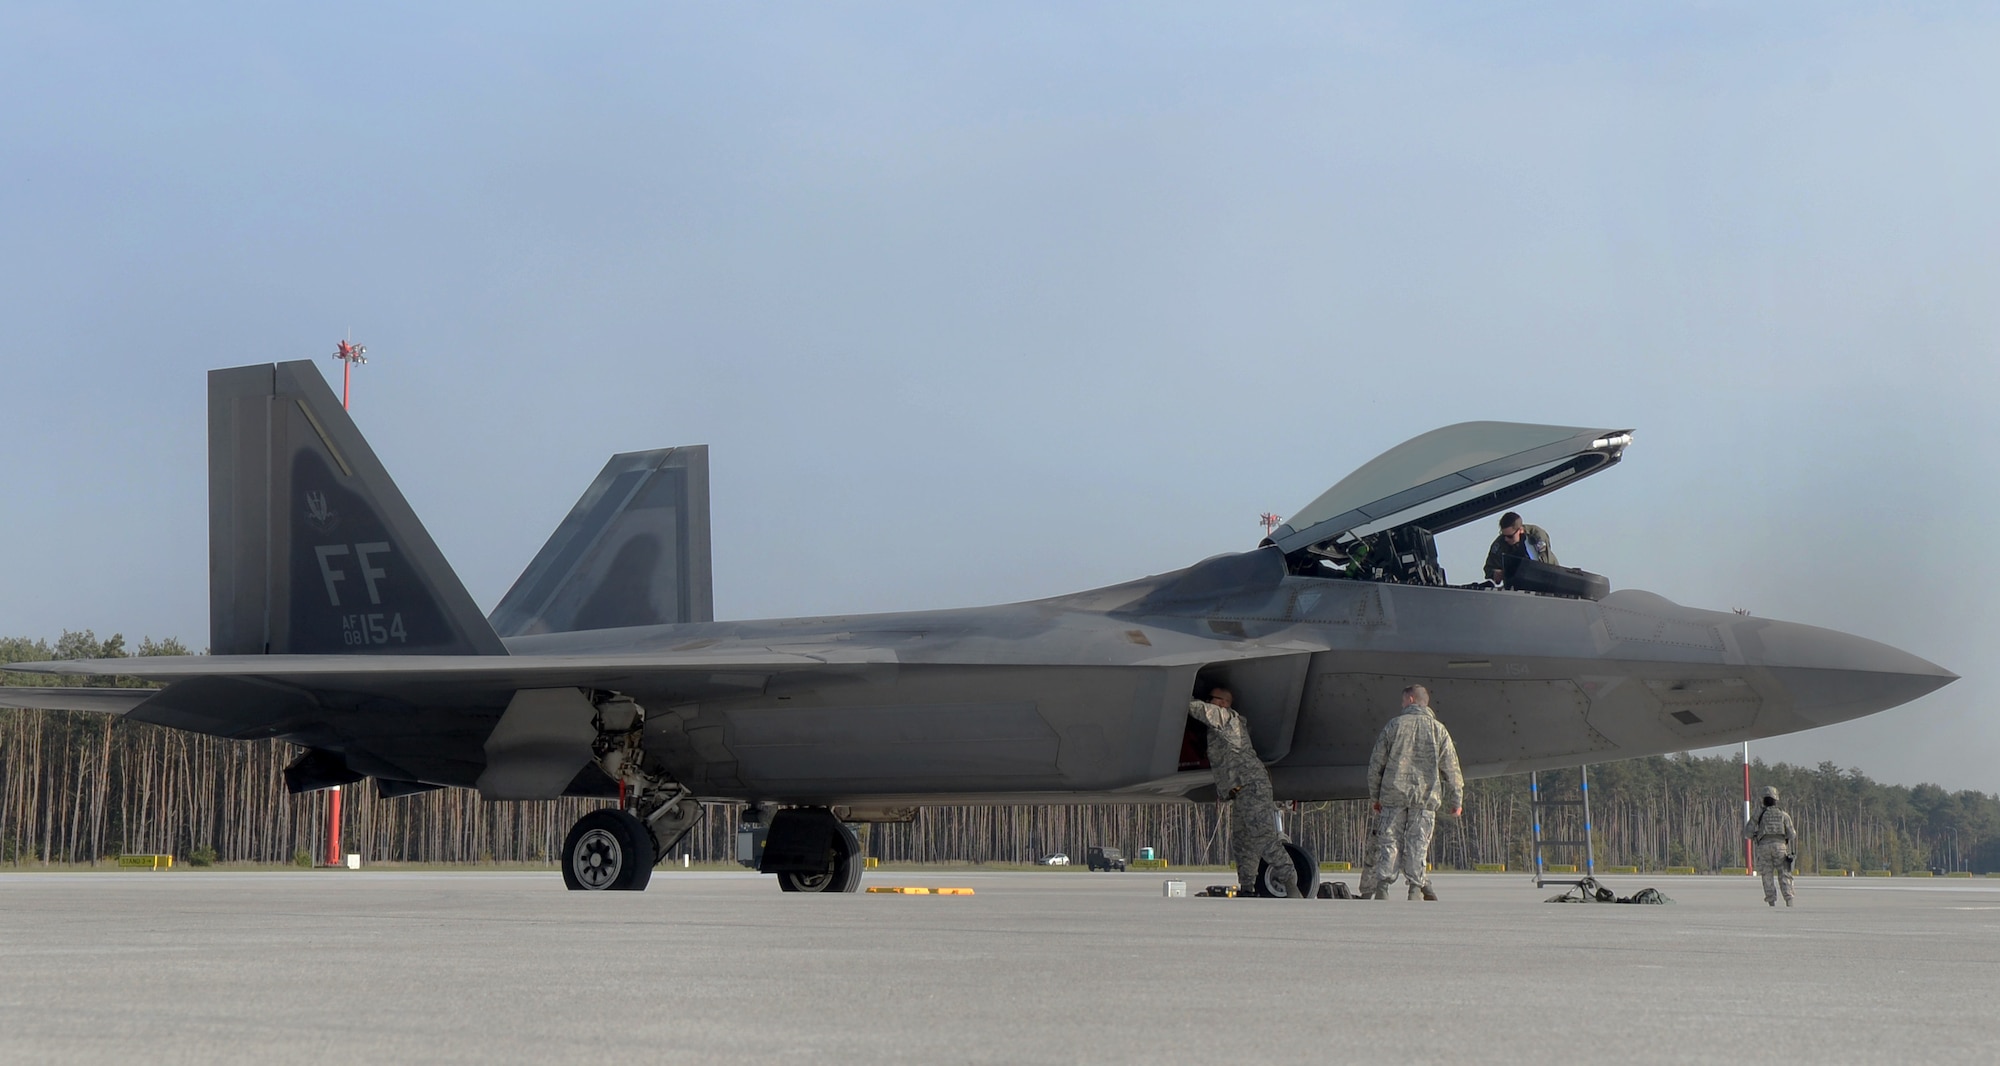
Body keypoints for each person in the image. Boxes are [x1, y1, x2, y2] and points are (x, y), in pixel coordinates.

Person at [1188, 686, 1299, 898]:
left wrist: (1181, 694)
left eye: (1211, 698)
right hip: (1240, 791)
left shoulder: (1226, 718)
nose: (1208, 701)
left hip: (1251, 787)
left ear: (1222, 703)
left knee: (1263, 838)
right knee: (1242, 842)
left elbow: (1196, 708)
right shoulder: (1223, 724)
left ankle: (1290, 881)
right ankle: (1247, 887)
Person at [1366, 685, 1463, 900]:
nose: (1401, 705)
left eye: (1403, 701)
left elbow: (1375, 765)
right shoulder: (1438, 730)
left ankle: (1383, 888)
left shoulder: (1394, 726)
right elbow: (1452, 769)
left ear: (1410, 699)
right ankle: (1415, 889)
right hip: (1425, 798)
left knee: (1390, 841)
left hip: (1393, 796)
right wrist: (1456, 800)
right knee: (1418, 843)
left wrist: (1375, 797)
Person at [1744, 785, 1798, 907]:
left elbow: (1747, 832)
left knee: (1767, 874)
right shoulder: (1783, 815)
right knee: (1784, 873)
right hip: (1780, 847)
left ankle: (1771, 901)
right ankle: (1789, 900)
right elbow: (1792, 834)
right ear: (1776, 799)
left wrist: (1756, 836)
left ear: (1763, 799)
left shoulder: (1759, 814)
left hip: (1763, 847)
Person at [1484, 511, 1557, 585]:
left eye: (1510, 536)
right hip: (1516, 585)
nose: (1506, 539)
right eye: (1503, 535)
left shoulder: (1535, 534)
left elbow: (1543, 563)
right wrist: (1495, 573)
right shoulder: (1500, 543)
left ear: (1520, 530)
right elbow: (1488, 569)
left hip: (1549, 581)